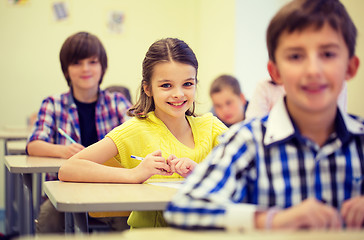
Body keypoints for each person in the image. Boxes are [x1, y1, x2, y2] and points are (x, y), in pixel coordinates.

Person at [164, 0, 363, 230]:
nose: (313, 70)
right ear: (275, 72)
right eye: (296, 57)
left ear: (350, 67)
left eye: (327, 54)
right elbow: (184, 206)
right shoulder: (247, 141)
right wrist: (272, 220)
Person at [58, 38, 228, 229]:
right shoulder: (135, 130)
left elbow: (252, 170)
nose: (179, 94)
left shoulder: (211, 126)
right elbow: (69, 168)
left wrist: (202, 174)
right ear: (148, 88)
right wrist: (133, 174)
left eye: (187, 84)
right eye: (166, 85)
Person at [26, 31, 131, 233]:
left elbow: (136, 134)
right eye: (77, 63)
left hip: (111, 187)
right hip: (64, 189)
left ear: (102, 67)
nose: (85, 69)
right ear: (66, 70)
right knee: (49, 220)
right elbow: (33, 144)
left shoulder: (116, 101)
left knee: (130, 221)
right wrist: (62, 151)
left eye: (92, 62)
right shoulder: (53, 104)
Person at [245, 79, 348, 120]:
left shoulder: (337, 84)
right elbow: (253, 122)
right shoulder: (265, 87)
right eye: (295, 56)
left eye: (327, 55)